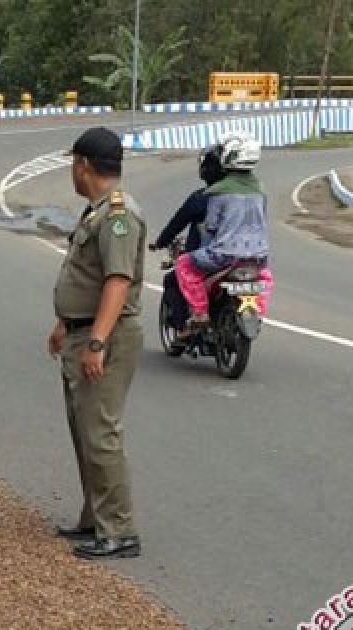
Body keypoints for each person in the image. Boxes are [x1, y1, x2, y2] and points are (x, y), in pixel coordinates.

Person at [48, 127, 146, 560]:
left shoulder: (119, 215)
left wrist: (98, 341)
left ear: (83, 165)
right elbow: (87, 277)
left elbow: (117, 281)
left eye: (74, 163)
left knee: (101, 432)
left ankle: (119, 529)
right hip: (80, 329)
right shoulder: (98, 212)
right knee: (84, 431)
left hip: (104, 334)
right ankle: (95, 518)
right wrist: (64, 323)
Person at [173, 131, 275, 336]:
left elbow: (211, 227)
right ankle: (257, 310)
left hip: (224, 256)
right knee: (265, 278)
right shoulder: (260, 190)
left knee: (184, 264)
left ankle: (200, 313)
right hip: (258, 257)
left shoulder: (218, 192)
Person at [148, 144, 226, 332]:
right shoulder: (245, 198)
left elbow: (177, 223)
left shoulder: (203, 198)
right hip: (242, 259)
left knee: (172, 280)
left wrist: (160, 242)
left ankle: (184, 327)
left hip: (209, 260)